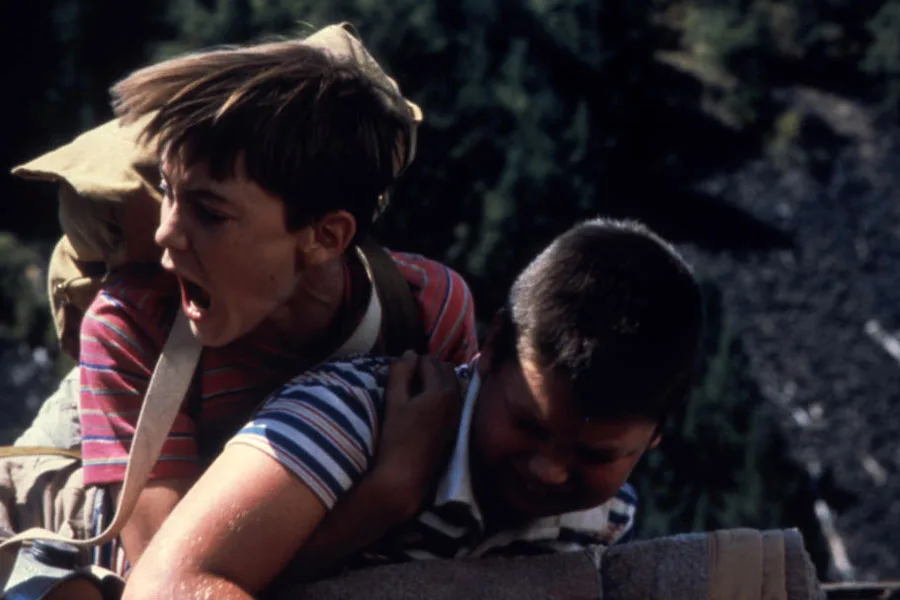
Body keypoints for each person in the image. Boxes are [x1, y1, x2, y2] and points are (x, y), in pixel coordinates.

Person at [121, 217, 706, 600]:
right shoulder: (353, 418)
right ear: (491, 349)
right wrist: (387, 495)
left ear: (656, 436)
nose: (549, 470)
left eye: (595, 455)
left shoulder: (604, 520)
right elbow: (166, 587)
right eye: (527, 424)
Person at [74, 25, 477, 572]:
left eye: (209, 212)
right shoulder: (133, 325)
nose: (165, 233)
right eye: (167, 191)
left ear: (325, 237)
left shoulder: (426, 310)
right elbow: (164, 577)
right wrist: (387, 496)